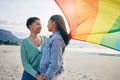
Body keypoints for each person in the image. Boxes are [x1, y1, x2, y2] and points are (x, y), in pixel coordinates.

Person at [38, 14, 70, 80]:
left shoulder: (56, 39)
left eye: (48, 22)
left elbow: (55, 62)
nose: (47, 25)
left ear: (54, 23)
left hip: (51, 76)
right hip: (47, 74)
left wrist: (46, 76)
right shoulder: (53, 38)